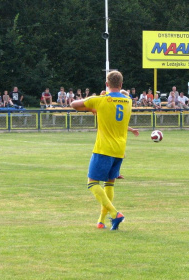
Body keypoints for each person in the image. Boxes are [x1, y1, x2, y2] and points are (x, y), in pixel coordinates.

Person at [70, 70, 130, 230]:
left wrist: (92, 106)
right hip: (120, 149)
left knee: (92, 183)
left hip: (104, 148)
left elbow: (74, 105)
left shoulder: (101, 100)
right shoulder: (129, 101)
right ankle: (102, 221)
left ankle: (115, 213)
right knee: (109, 184)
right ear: (121, 84)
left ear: (106, 84)